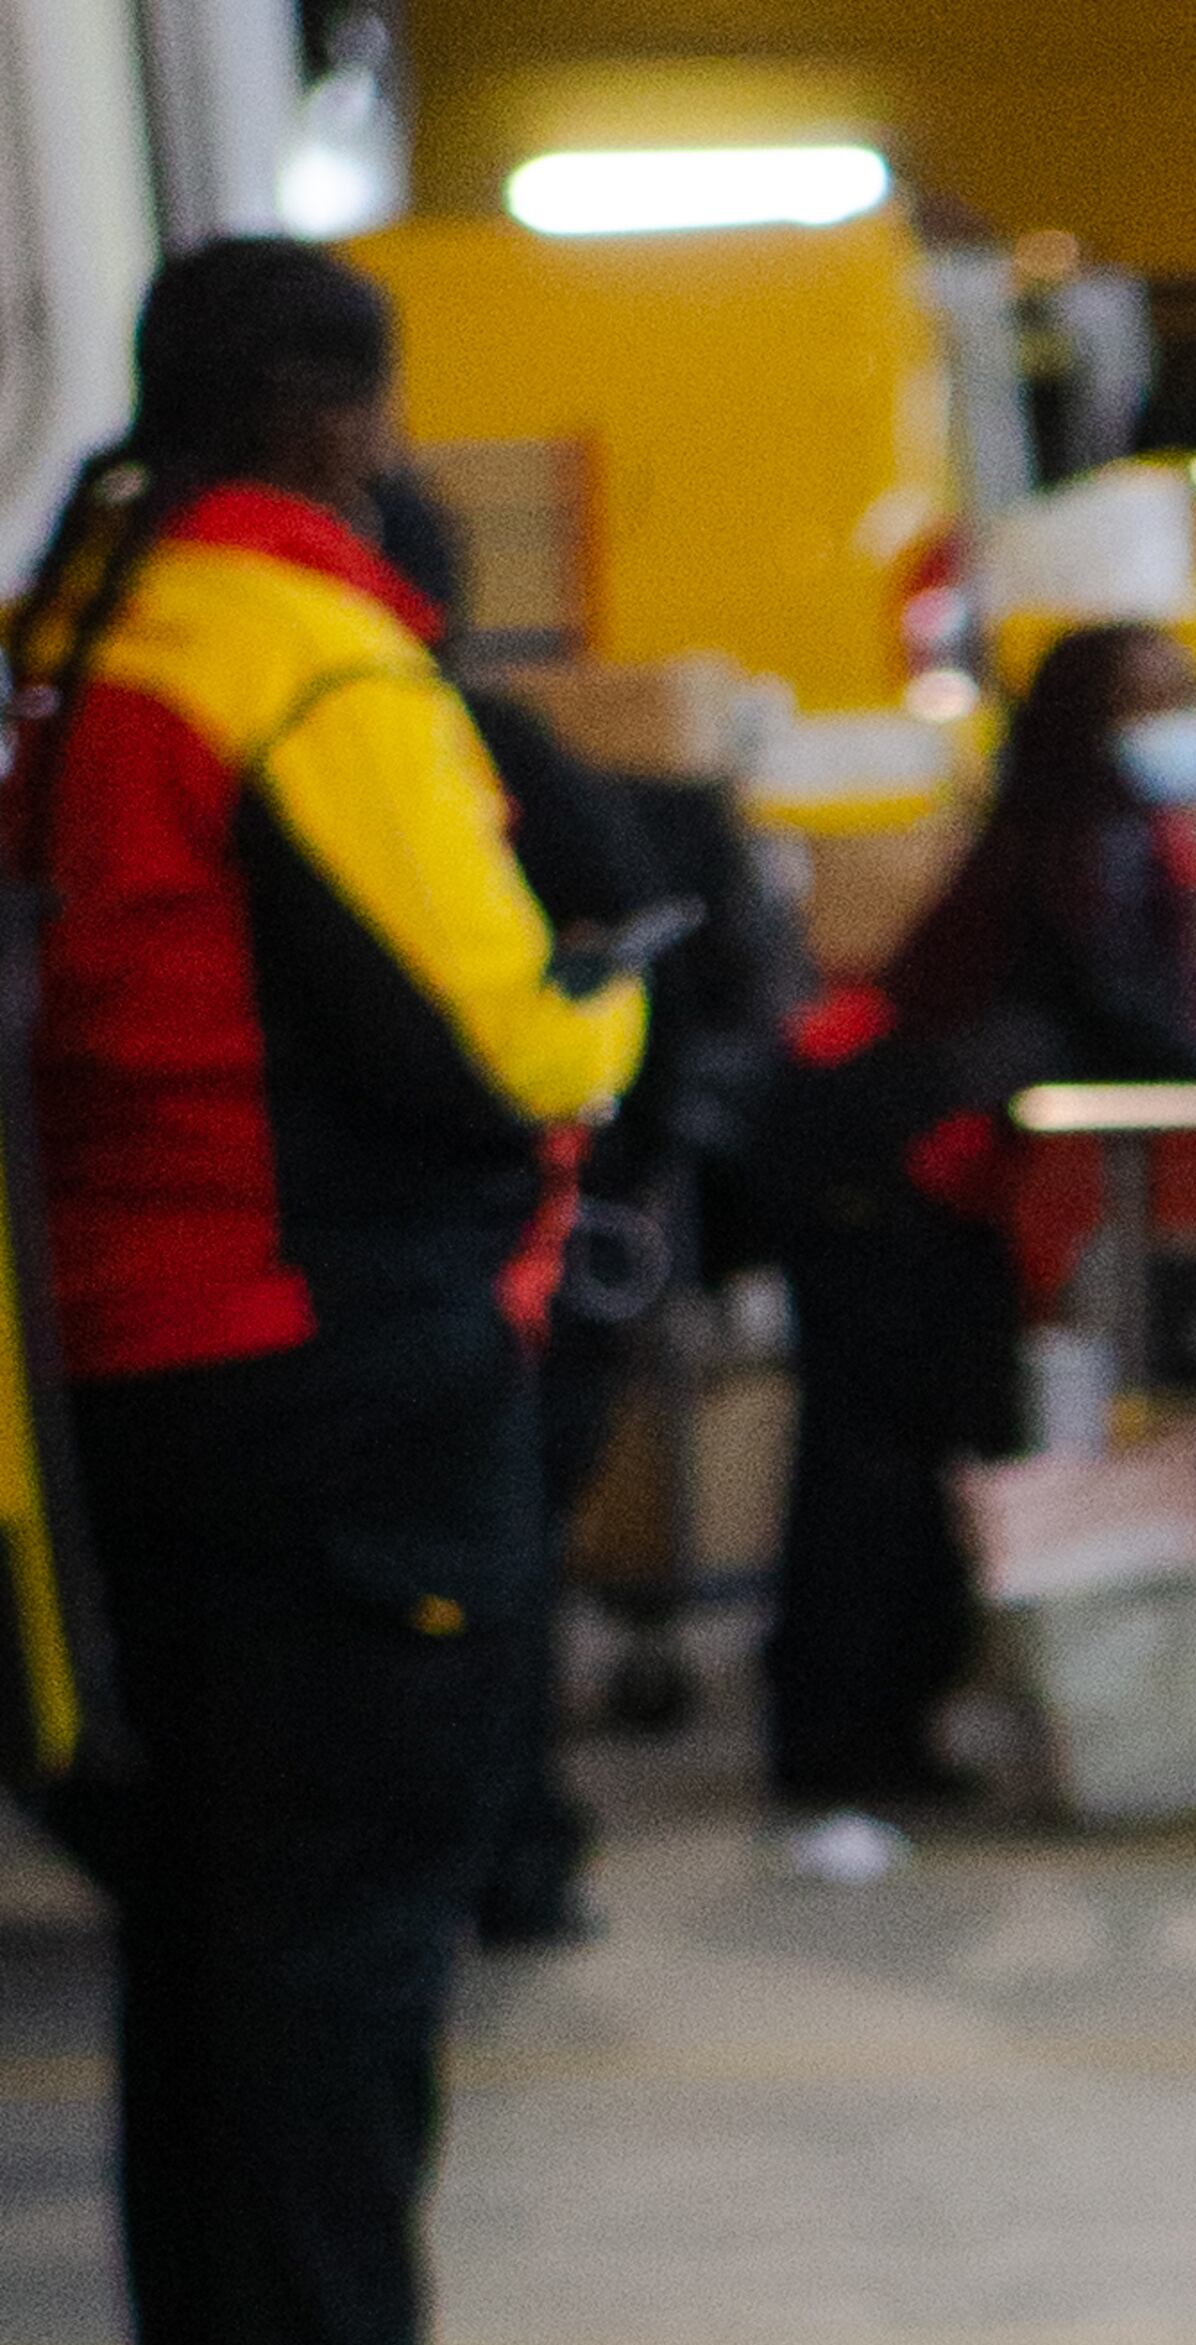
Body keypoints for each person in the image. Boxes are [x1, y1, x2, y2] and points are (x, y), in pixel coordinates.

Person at [4, 239, 641, 2345]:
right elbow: (501, 1030)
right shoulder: (306, 656)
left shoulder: (75, 640)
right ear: (332, 419)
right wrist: (619, 1013)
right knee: (357, 1937)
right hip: (335, 1380)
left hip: (115, 1379)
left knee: (208, 1937)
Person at [369, 462, 783, 1942]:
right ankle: (507, 1850)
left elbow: (618, 993)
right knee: (495, 1570)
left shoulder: (433, 750)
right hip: (533, 1236)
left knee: (488, 1574)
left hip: (503, 1246)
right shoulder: (469, 746)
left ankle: (507, 1852)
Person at [753, 620, 1196, 1859]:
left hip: (917, 1183)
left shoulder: (1104, 839)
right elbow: (1142, 1029)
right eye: (1152, 699)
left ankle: (875, 1728)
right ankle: (841, 1737)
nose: (1179, 718)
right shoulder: (1088, 848)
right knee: (879, 1468)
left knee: (913, 1451)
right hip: (886, 1181)